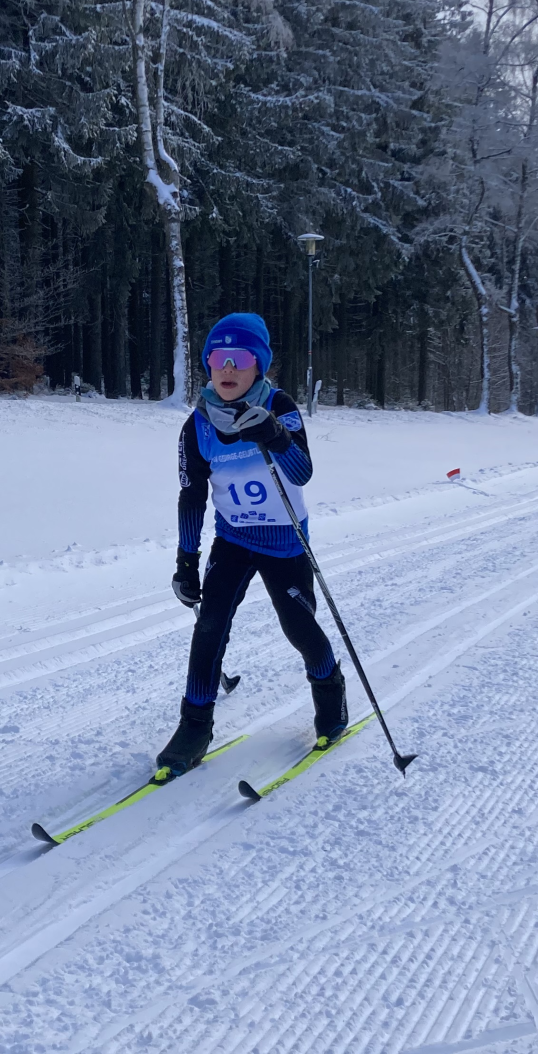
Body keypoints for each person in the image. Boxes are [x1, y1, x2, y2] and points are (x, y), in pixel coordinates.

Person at [160, 313, 343, 778]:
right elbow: (192, 496)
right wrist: (186, 562)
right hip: (234, 539)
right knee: (210, 629)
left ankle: (331, 695)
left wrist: (276, 436)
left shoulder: (279, 406)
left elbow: (302, 472)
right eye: (217, 359)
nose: (227, 369)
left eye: (239, 359)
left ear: (258, 364)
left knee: (299, 628)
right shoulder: (197, 426)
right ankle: (194, 726)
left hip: (285, 541)